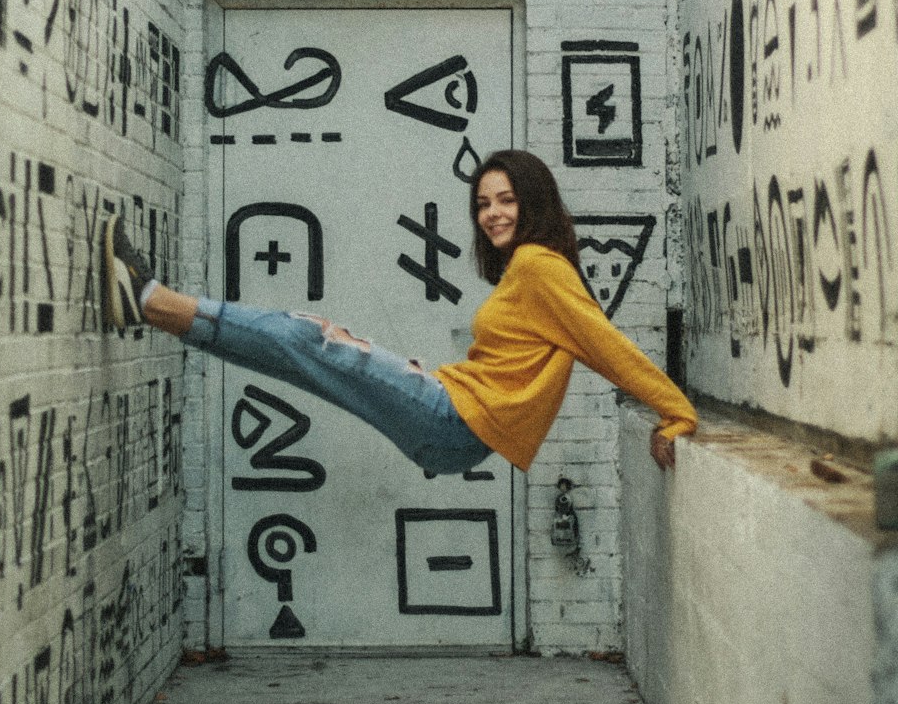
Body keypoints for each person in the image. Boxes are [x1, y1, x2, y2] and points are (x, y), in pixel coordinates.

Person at [103, 150, 697, 475]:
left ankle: (150, 297)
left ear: (534, 202)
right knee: (299, 355)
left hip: (453, 419)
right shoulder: (526, 269)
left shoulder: (542, 266)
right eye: (483, 204)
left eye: (507, 201)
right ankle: (150, 308)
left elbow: (605, 344)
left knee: (304, 341)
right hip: (450, 414)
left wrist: (676, 411)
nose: (492, 215)